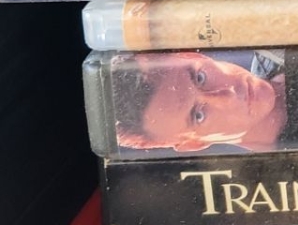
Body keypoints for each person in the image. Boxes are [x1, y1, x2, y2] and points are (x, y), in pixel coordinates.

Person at [109, 50, 288, 153]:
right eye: (199, 115)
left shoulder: (284, 32)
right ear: (192, 144)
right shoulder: (277, 192)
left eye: (200, 77)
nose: (229, 95)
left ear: (192, 55)